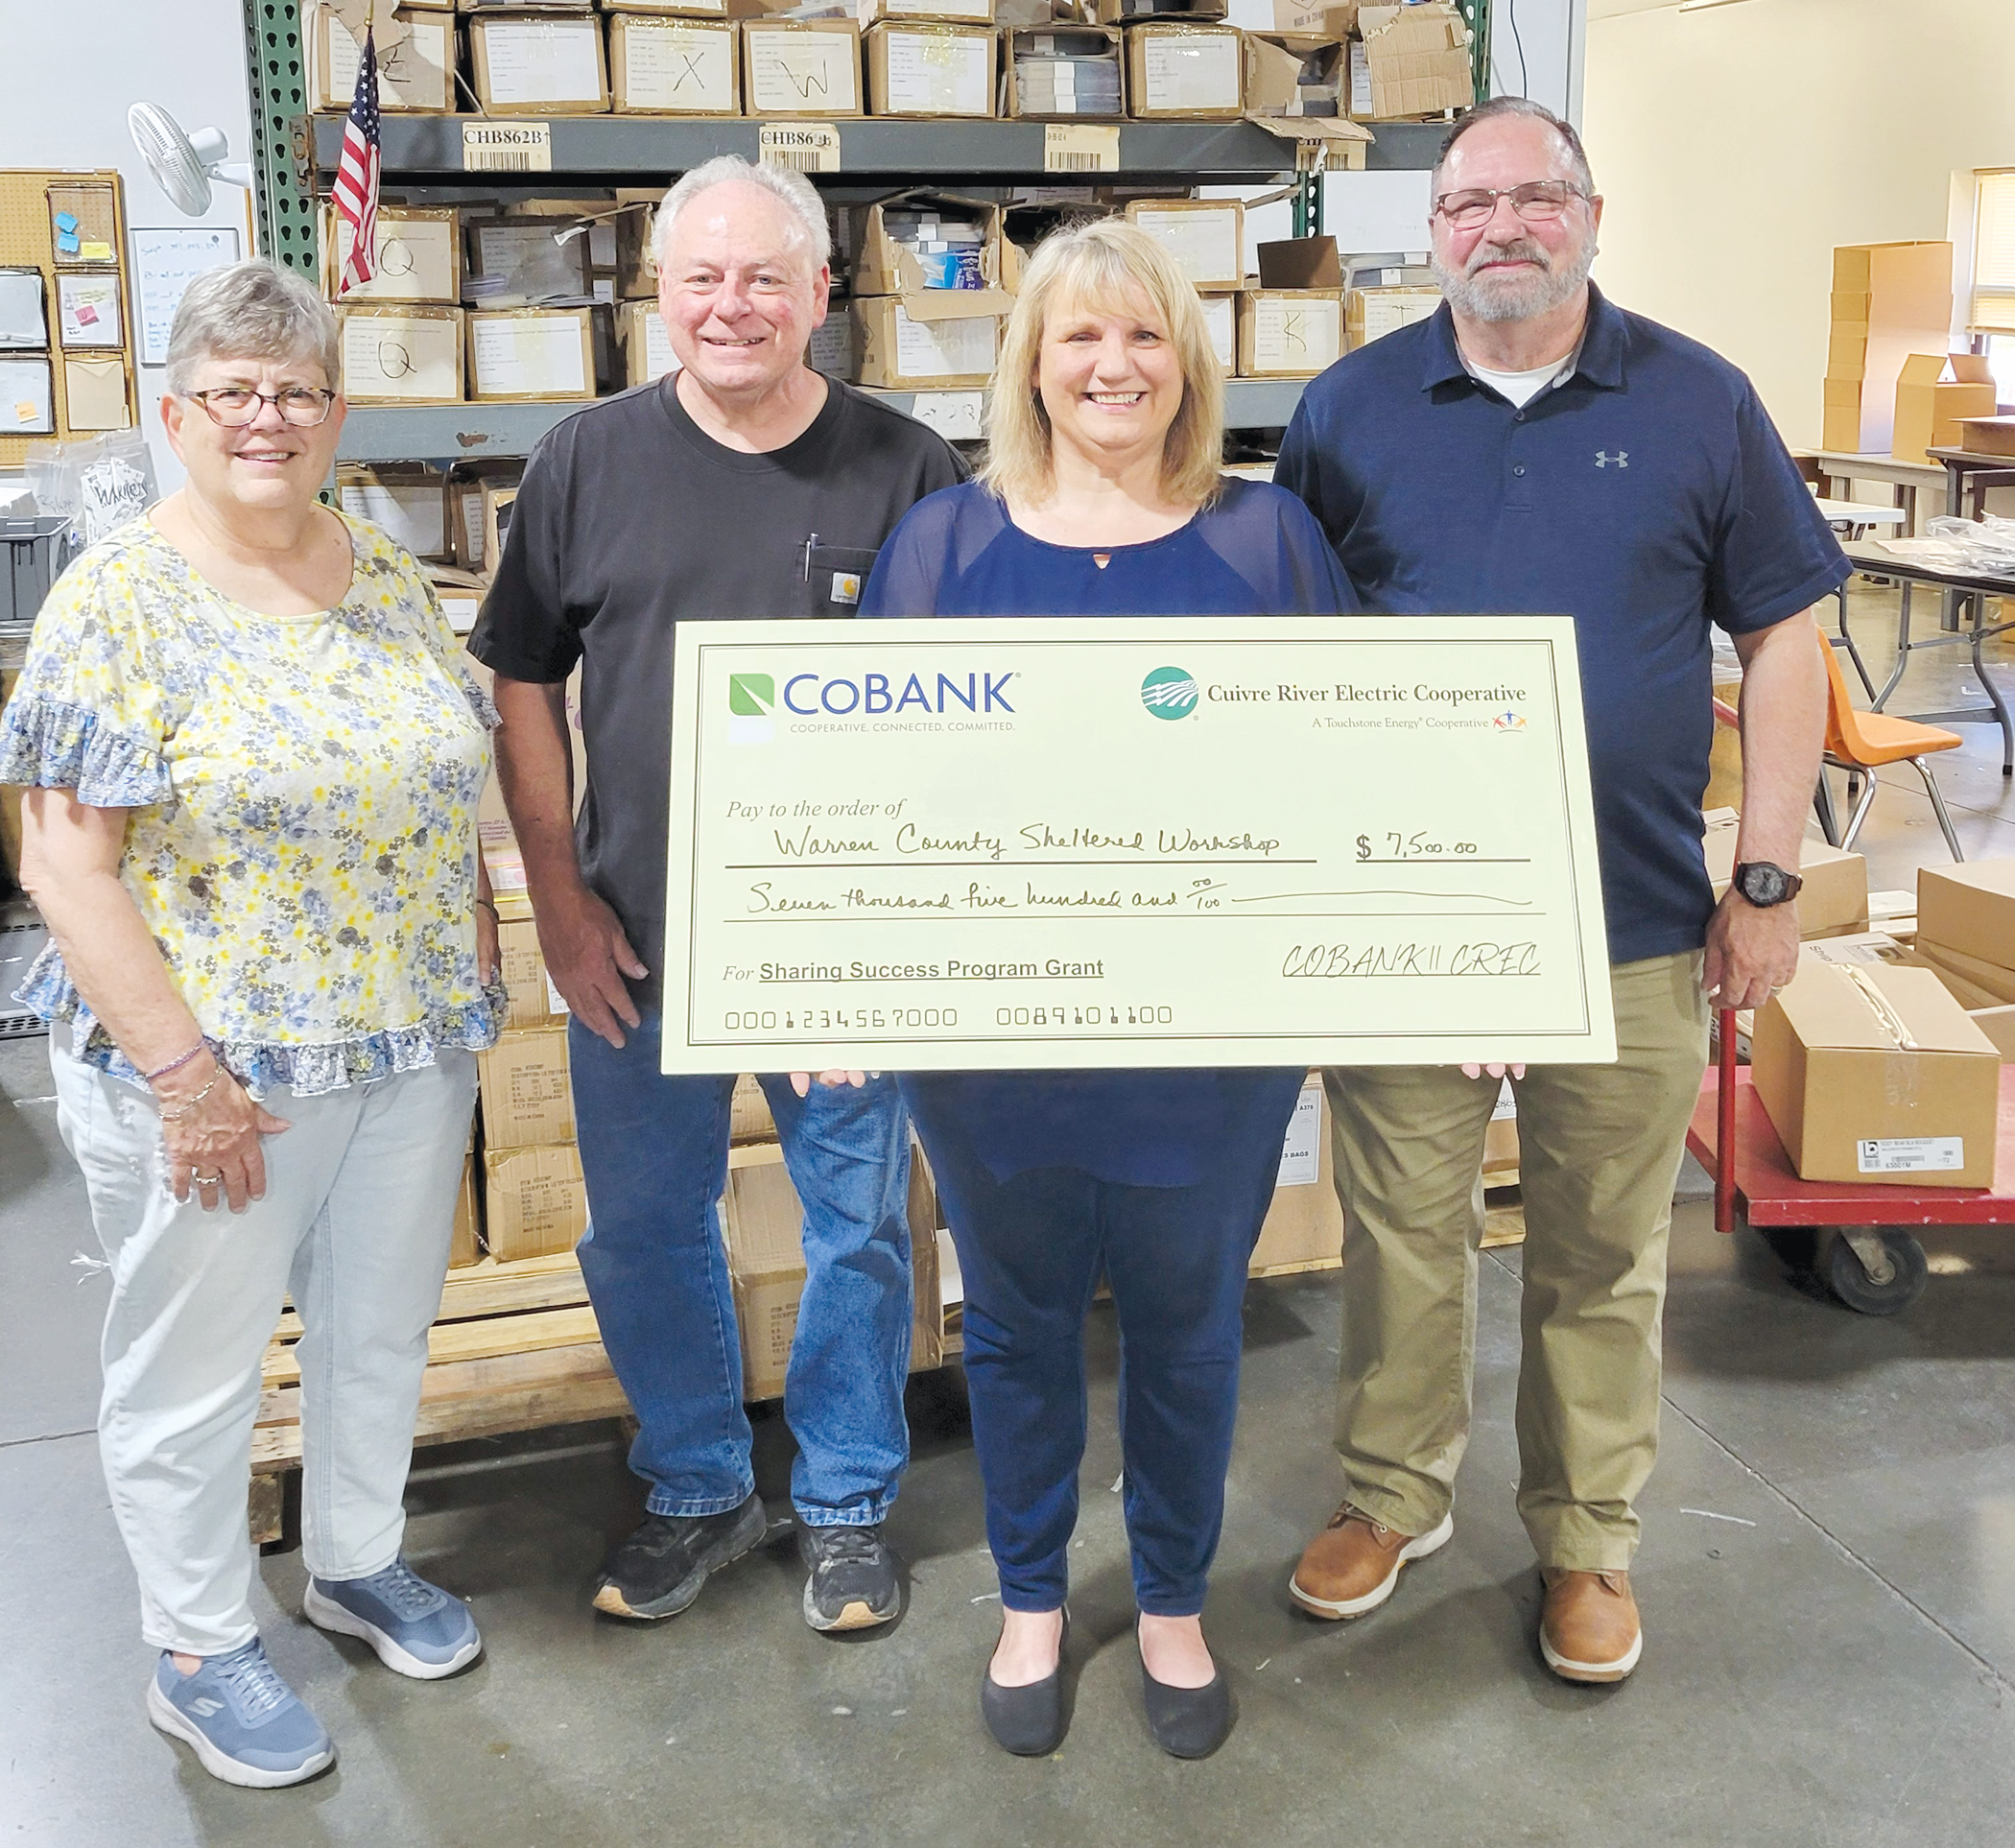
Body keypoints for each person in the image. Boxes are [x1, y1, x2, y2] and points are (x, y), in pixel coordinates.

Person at [1276, 96, 1839, 1683]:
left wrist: (1769, 873)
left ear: (1591, 216)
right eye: (1469, 206)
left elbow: (1786, 638)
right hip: (1411, 924)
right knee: (1402, 1227)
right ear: (1432, 231)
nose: (1502, 228)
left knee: (1603, 1244)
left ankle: (1589, 1540)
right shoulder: (1348, 408)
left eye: (1536, 198)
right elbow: (1292, 667)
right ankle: (1393, 1496)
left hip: (1636, 918)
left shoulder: (1698, 402)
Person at [861, 220, 1358, 1760]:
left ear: (1188, 362)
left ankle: (1168, 1601)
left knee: (1189, 1320)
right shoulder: (941, 546)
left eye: (1144, 337)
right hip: (992, 1029)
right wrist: (833, 985)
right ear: (1031, 362)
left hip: (1211, 1038)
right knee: (1009, 1322)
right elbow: (869, 794)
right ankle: (1025, 1595)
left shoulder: (1271, 542)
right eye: (1079, 338)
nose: (1112, 366)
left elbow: (1354, 766)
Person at [2, 260, 503, 1788]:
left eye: (295, 390)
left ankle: (354, 1557)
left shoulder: (384, 563)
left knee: (377, 1330)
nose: (266, 418)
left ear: (336, 412)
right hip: (221, 1073)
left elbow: (441, 760)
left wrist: (473, 931)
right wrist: (183, 1073)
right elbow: (63, 864)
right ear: (176, 412)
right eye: (233, 391)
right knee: (194, 1363)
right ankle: (199, 1642)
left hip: (408, 1042)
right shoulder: (120, 597)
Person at [469, 156, 966, 1634]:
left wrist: (885, 941)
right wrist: (556, 899)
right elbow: (521, 680)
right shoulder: (584, 462)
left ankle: (849, 1496)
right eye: (703, 278)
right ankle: (694, 1479)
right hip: (637, 938)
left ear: (821, 291)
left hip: (844, 948)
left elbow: (966, 714)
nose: (732, 306)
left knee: (859, 1222)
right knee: (644, 1222)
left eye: (765, 277)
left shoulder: (909, 467)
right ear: (658, 295)